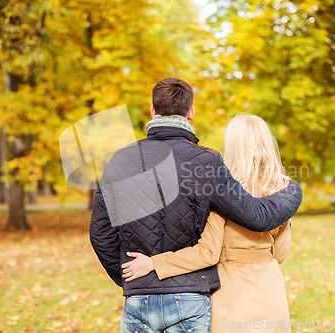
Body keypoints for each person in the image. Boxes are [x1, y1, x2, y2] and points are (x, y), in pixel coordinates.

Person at [90, 78, 302, 333]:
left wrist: (132, 277)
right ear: (191, 112)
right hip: (190, 296)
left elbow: (100, 233)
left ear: (152, 110)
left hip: (139, 295)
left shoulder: (120, 160)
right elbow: (257, 217)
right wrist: (291, 192)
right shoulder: (206, 161)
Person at [122, 114, 295, 333]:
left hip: (232, 292)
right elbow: (280, 254)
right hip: (271, 290)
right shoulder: (280, 189)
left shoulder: (223, 189)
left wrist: (155, 263)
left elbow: (207, 253)